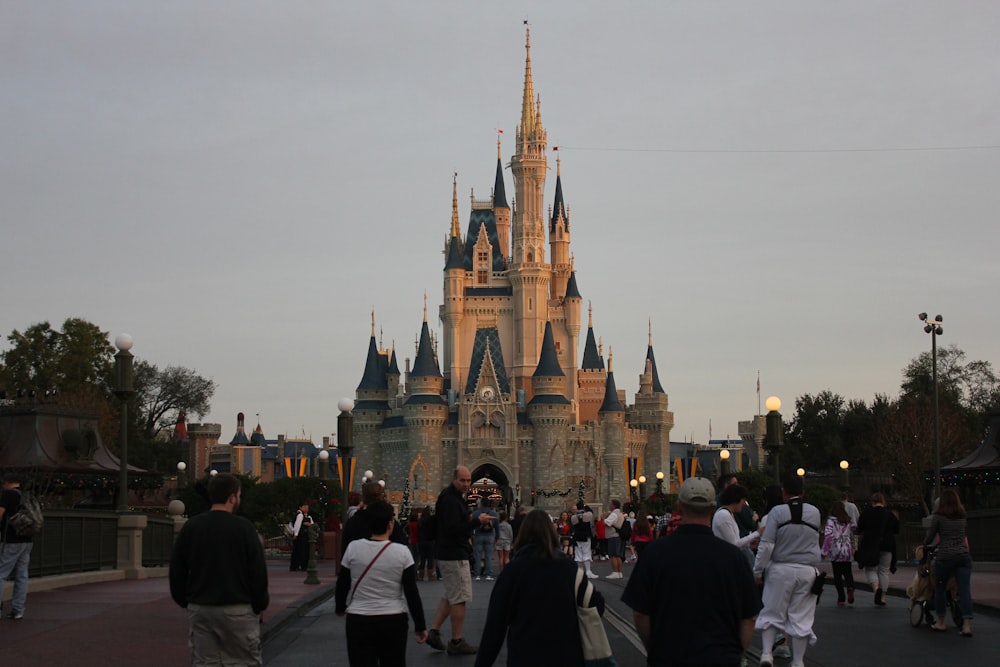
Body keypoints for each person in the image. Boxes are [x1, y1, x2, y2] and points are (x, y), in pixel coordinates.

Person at [622, 477, 758, 666]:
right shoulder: (733, 557)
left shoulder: (655, 553)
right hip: (721, 658)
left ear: (679, 506)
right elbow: (749, 617)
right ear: (712, 509)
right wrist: (735, 655)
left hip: (670, 656)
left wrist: (654, 650)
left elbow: (640, 613)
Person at [475, 509, 606, 667]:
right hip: (565, 655)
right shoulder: (568, 568)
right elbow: (597, 604)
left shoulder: (513, 571)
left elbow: (495, 626)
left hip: (525, 656)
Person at [169, 473, 269, 666]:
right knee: (242, 661)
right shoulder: (244, 528)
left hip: (201, 608)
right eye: (238, 495)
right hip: (237, 607)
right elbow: (257, 572)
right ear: (232, 497)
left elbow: (177, 569)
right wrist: (259, 604)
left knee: (205, 662)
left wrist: (185, 600)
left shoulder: (192, 527)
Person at [336, 500, 428, 665]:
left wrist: (340, 607)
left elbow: (343, 582)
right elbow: (411, 592)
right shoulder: (402, 552)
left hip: (359, 618)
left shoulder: (353, 548)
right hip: (393, 618)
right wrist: (420, 625)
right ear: (390, 525)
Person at [753, 474, 822, 667]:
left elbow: (766, 545)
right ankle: (798, 661)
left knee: (771, 612)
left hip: (780, 569)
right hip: (807, 571)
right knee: (801, 617)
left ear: (784, 492)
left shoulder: (777, 512)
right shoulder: (815, 512)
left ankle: (767, 654)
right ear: (803, 492)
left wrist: (757, 570)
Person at [426, 466, 481, 655]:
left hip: (450, 553)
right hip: (453, 554)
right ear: (454, 479)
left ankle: (434, 632)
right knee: (460, 598)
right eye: (462, 480)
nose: (466, 484)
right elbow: (453, 529)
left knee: (451, 595)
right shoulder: (450, 500)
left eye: (468, 481)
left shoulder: (453, 498)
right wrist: (476, 522)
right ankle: (456, 641)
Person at [924, 488, 974, 636]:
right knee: (964, 590)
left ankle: (940, 622)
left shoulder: (939, 517)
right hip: (963, 556)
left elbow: (931, 535)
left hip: (945, 557)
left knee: (940, 588)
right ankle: (966, 626)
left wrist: (926, 545)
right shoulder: (962, 516)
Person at [855, 491, 899, 606]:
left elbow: (859, 529)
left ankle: (876, 589)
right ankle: (883, 597)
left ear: (872, 502)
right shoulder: (889, 515)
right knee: (884, 570)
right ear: (883, 502)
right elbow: (896, 529)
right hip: (887, 545)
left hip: (870, 545)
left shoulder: (866, 513)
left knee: (870, 569)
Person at [0, 474, 35, 620]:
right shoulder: (27, 495)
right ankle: (18, 609)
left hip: (11, 539)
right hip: (27, 539)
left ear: (7, 483)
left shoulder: (8, 495)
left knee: (1, 573)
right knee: (22, 574)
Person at [712, 484, 761, 567]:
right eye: (743, 500)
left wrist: (749, 544)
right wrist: (757, 533)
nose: (744, 504)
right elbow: (734, 544)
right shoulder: (724, 515)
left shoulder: (728, 514)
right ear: (737, 499)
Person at [821, 501, 856, 606]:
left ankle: (841, 597)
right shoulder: (848, 521)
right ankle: (850, 587)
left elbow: (828, 536)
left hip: (835, 550)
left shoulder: (831, 522)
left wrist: (824, 551)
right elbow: (855, 530)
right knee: (848, 573)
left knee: (837, 575)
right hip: (847, 550)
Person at [570, 500, 598, 579]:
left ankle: (579, 572)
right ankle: (588, 571)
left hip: (577, 537)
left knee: (578, 555)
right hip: (586, 536)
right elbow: (591, 511)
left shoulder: (573, 517)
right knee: (586, 554)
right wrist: (586, 506)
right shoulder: (587, 515)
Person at [472, 499, 498, 581]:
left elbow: (472, 524)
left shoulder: (476, 513)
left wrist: (471, 535)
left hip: (479, 534)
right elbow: (496, 526)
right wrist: (497, 537)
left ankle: (477, 574)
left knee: (477, 555)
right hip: (489, 535)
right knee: (489, 556)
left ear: (481, 504)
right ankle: (488, 574)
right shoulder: (493, 513)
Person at [602, 499, 625, 579]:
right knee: (618, 555)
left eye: (610, 504)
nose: (609, 506)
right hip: (618, 536)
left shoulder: (614, 514)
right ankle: (619, 572)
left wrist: (604, 518)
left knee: (613, 555)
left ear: (614, 506)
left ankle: (615, 571)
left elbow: (607, 522)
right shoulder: (620, 513)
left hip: (613, 536)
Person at [289, 501, 314, 571]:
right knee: (302, 551)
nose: (306, 509)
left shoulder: (306, 516)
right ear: (300, 507)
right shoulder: (300, 515)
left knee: (298, 551)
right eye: (305, 507)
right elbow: (297, 525)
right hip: (301, 536)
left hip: (303, 536)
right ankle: (303, 566)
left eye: (307, 507)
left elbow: (291, 524)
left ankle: (295, 566)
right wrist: (295, 534)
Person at [417, 505, 437, 582]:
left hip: (421, 541)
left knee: (422, 558)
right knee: (430, 559)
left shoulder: (420, 521)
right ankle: (430, 575)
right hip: (430, 541)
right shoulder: (431, 520)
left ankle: (421, 576)